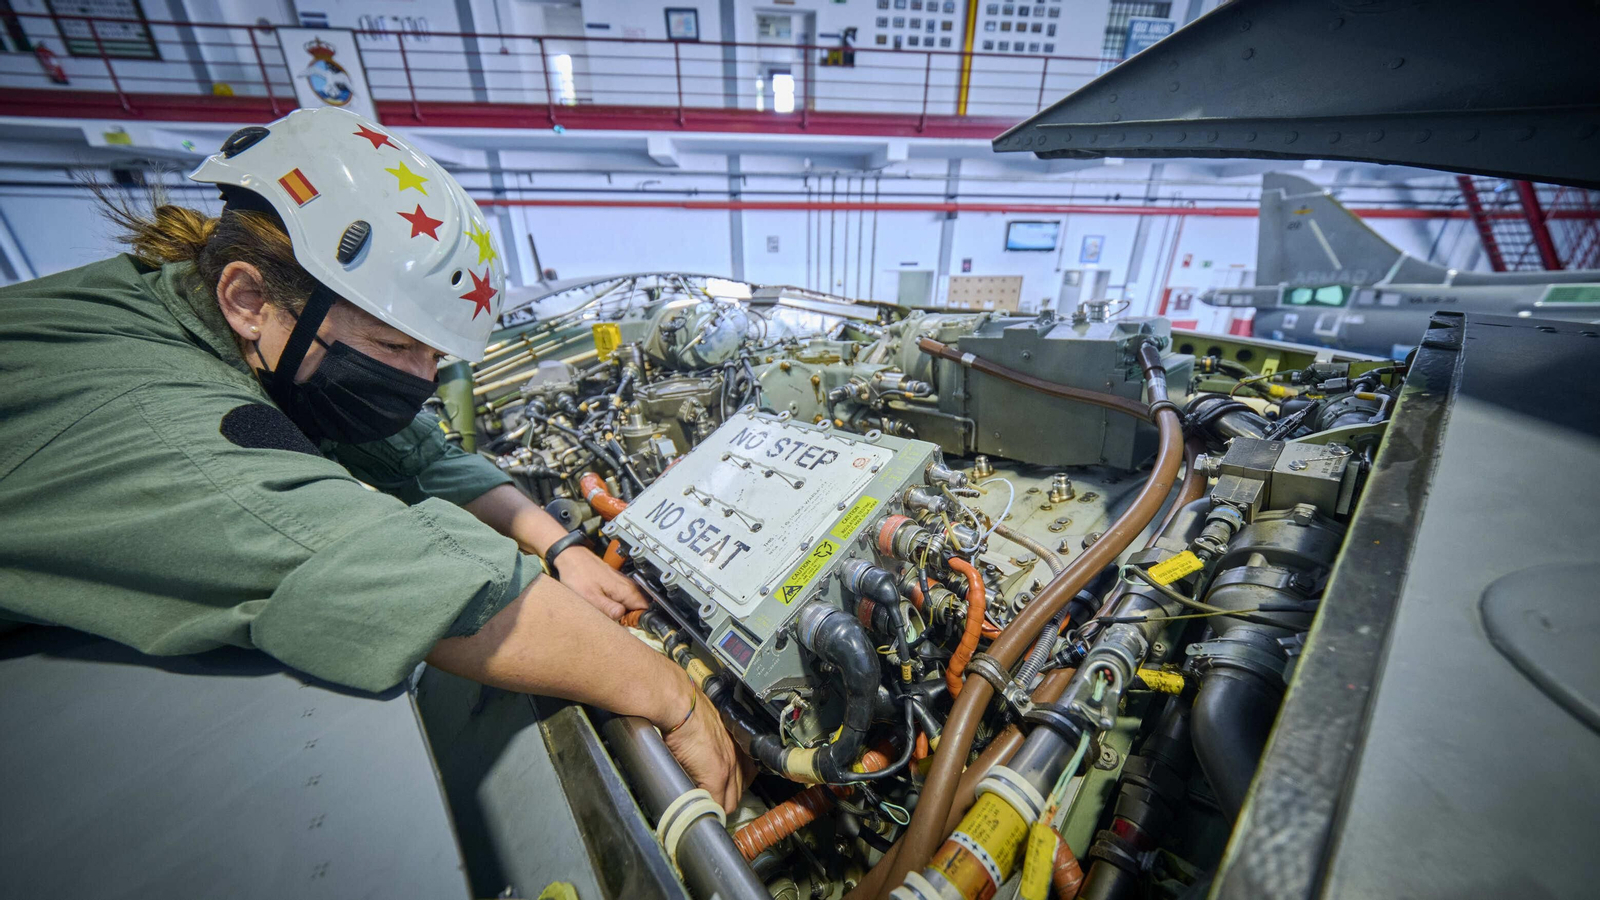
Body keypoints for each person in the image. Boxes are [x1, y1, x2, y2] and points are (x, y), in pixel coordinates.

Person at [0, 107, 744, 811]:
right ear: (248, 298)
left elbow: (416, 457)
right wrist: (670, 692)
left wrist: (564, 546)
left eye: (434, 354)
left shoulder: (236, 330)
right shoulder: (156, 408)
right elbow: (375, 566)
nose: (421, 380)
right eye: (395, 347)